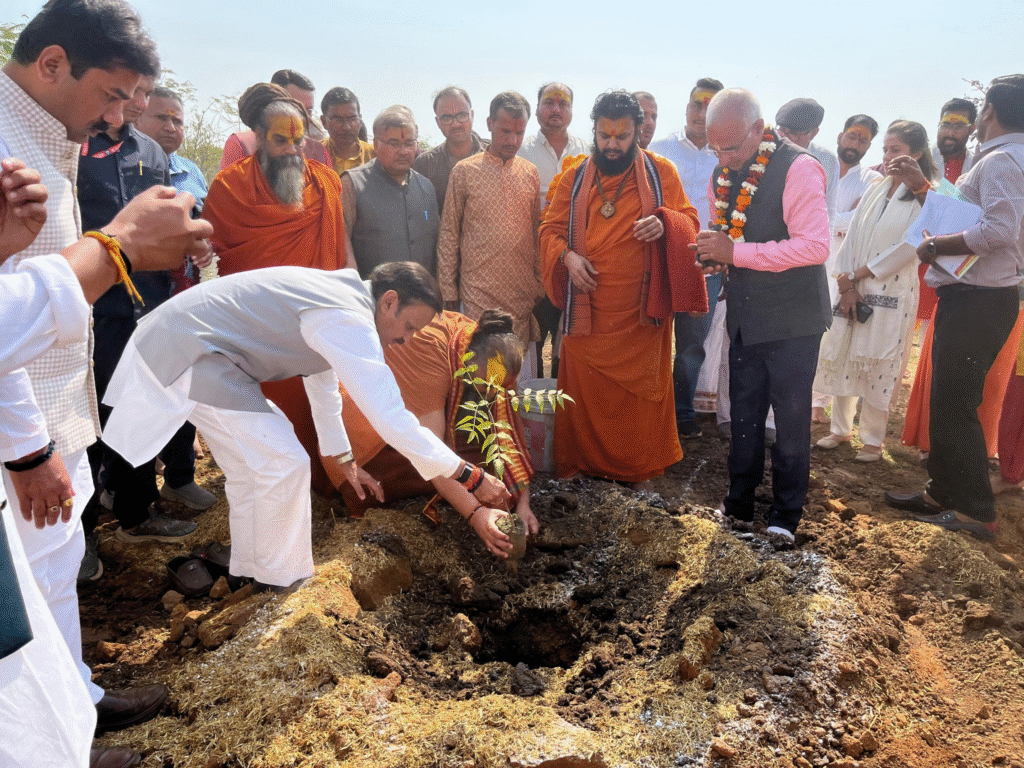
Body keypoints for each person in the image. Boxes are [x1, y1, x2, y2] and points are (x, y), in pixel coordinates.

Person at [0, 2, 213, 760]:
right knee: (18, 605)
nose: (122, 117)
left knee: (55, 577)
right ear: (54, 64)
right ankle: (45, 744)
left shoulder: (48, 135)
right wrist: (27, 450)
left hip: (61, 409)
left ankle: (76, 704)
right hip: (22, 437)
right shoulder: (5, 142)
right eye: (114, 95)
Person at [101, 262, 514, 589]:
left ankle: (252, 568)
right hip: (190, 350)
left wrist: (345, 458)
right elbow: (391, 419)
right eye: (408, 326)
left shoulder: (339, 303)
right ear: (389, 301)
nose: (407, 339)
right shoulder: (347, 314)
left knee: (253, 469)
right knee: (284, 462)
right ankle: (282, 582)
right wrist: (471, 475)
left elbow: (322, 383)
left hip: (197, 352)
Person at [539, 90, 704, 486]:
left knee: (639, 399)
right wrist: (568, 259)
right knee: (583, 395)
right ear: (594, 131)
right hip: (588, 311)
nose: (612, 145)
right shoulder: (574, 174)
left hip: (640, 315)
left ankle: (636, 471)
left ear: (639, 132)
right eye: (604, 135)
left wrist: (666, 223)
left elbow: (690, 222)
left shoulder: (661, 172)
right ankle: (579, 465)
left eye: (622, 136)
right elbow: (550, 229)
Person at [886, 75, 1024, 541]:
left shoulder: (1003, 160)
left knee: (957, 404)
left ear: (989, 112)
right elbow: (973, 214)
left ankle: (974, 510)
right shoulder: (1006, 159)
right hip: (980, 298)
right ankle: (943, 492)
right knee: (948, 401)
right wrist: (923, 188)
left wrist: (935, 245)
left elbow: (999, 230)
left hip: (980, 299)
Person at [202, 81, 356, 498]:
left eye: (298, 140)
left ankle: (327, 485)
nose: (291, 149)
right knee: (270, 426)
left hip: (315, 324)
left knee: (324, 404)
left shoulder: (326, 182)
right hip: (259, 333)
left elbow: (340, 249)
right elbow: (214, 261)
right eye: (280, 139)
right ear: (257, 137)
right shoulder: (228, 189)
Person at [77, 75, 210, 553]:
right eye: (127, 90)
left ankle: (137, 512)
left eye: (142, 91)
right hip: (90, 306)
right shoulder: (75, 143)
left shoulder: (150, 153)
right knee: (89, 420)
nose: (134, 100)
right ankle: (83, 535)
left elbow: (162, 225)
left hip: (147, 303)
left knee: (139, 407)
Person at [694, 88, 831, 544]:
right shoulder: (725, 170)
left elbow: (814, 246)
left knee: (790, 420)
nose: (722, 157)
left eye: (731, 147)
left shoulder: (800, 168)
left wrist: (737, 251)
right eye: (715, 146)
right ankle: (738, 502)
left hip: (794, 321)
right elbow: (731, 233)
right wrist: (717, 256)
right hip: (747, 316)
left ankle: (785, 516)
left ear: (759, 129)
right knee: (745, 413)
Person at [337, 309, 538, 556]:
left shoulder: (499, 359)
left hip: (427, 418)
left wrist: (523, 505)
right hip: (369, 423)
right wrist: (477, 514)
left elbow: (510, 433)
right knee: (419, 470)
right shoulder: (428, 348)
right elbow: (429, 451)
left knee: (485, 460)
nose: (488, 396)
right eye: (483, 386)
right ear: (468, 360)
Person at [813, 121, 933, 461]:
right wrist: (846, 280)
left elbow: (914, 245)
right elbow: (852, 235)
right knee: (845, 349)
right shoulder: (877, 188)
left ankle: (872, 439)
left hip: (890, 290)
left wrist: (863, 273)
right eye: (886, 150)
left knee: (878, 357)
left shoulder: (927, 196)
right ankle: (840, 429)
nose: (888, 157)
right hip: (854, 284)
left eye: (896, 150)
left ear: (918, 154)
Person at [437, 91, 543, 382]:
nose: (512, 140)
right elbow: (449, 233)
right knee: (481, 379)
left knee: (517, 381)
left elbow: (536, 232)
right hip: (477, 296)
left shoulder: (530, 172)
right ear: (489, 124)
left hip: (520, 296)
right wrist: (448, 292)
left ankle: (515, 429)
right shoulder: (465, 171)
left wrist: (538, 284)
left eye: (519, 132)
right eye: (505, 131)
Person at [649, 77, 725, 438]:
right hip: (661, 260)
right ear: (686, 107)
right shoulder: (661, 150)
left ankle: (682, 412)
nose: (702, 112)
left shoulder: (729, 155)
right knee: (652, 336)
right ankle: (650, 408)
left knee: (693, 343)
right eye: (697, 104)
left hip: (706, 264)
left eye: (711, 106)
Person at [811, 114, 883, 424]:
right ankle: (805, 395)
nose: (855, 144)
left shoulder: (870, 180)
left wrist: (833, 221)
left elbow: (861, 224)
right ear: (840, 136)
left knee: (832, 333)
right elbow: (825, 217)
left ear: (869, 146)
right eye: (852, 136)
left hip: (842, 268)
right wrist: (842, 219)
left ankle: (818, 402)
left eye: (863, 140)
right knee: (809, 329)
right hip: (811, 262)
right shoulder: (818, 164)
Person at [521, 82, 590, 379]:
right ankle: (533, 415)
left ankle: (563, 413)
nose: (556, 109)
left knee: (569, 337)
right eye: (549, 102)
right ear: (537, 108)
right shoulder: (522, 151)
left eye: (563, 104)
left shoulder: (588, 151)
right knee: (535, 336)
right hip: (535, 264)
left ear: (572, 110)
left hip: (576, 264)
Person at [341, 106, 439, 278]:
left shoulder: (427, 187)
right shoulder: (353, 184)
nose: (403, 151)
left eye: (409, 143)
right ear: (376, 145)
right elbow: (341, 242)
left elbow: (433, 236)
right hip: (373, 296)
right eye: (394, 143)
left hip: (421, 298)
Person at [219, 69, 329, 169]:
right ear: (273, 103)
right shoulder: (241, 144)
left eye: (308, 111)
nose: (302, 118)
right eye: (295, 108)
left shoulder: (319, 152)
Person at [414, 86, 490, 213]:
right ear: (438, 122)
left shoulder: (495, 154)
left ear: (472, 115)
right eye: (447, 118)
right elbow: (423, 214)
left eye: (462, 115)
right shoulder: (425, 165)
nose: (455, 124)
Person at [776, 97, 839, 224]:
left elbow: (829, 210)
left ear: (814, 133)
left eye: (794, 133)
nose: (786, 138)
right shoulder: (766, 149)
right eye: (782, 130)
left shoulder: (827, 161)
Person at [320, 86, 374, 177]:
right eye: (338, 120)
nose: (347, 127)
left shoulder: (376, 156)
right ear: (324, 122)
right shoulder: (311, 155)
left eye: (352, 119)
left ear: (360, 120)